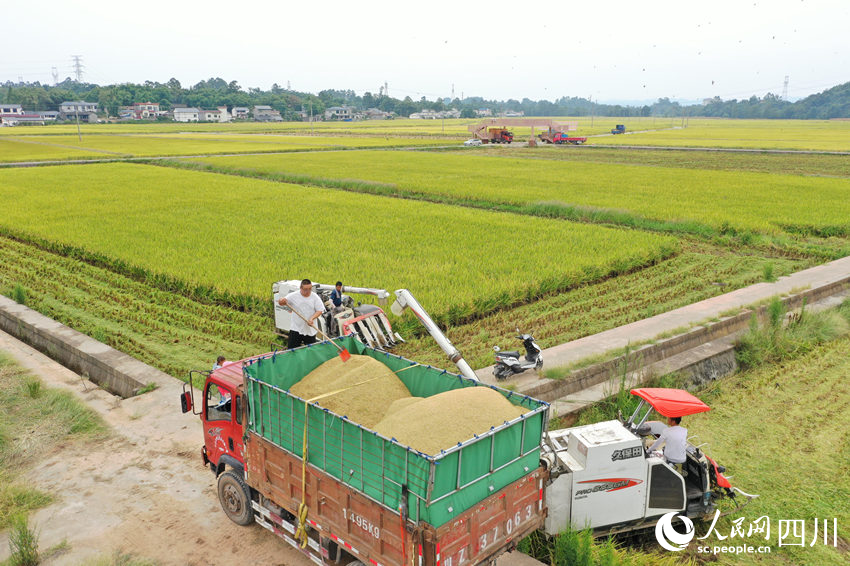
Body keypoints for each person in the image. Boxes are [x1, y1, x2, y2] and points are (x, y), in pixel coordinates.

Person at [278, 278, 326, 350]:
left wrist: (312, 318)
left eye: (310, 289)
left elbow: (320, 310)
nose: (308, 291)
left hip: (310, 329)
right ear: (301, 288)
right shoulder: (293, 295)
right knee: (292, 350)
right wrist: (281, 301)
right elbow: (281, 302)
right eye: (305, 289)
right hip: (296, 328)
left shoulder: (315, 297)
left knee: (311, 351)